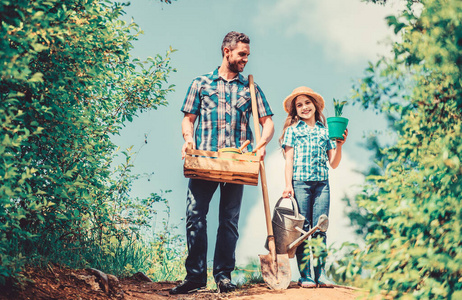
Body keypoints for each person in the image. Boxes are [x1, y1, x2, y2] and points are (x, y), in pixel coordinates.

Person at [170, 31, 274, 295]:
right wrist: (187, 139)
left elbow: (267, 122)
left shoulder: (249, 88)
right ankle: (194, 277)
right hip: (204, 161)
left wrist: (262, 144)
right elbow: (188, 119)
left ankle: (223, 276)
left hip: (237, 164)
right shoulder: (200, 83)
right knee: (195, 217)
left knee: (229, 221)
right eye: (242, 54)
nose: (246, 59)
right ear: (226, 51)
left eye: (248, 55)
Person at [279, 86, 348, 288]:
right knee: (303, 228)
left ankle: (321, 275)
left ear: (315, 106)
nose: (304, 107)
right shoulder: (292, 131)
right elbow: (289, 161)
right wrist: (287, 185)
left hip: (322, 186)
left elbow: (333, 163)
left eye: (307, 103)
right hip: (300, 183)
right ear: (295, 111)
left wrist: (340, 145)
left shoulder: (325, 132)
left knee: (320, 228)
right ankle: (306, 276)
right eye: (299, 105)